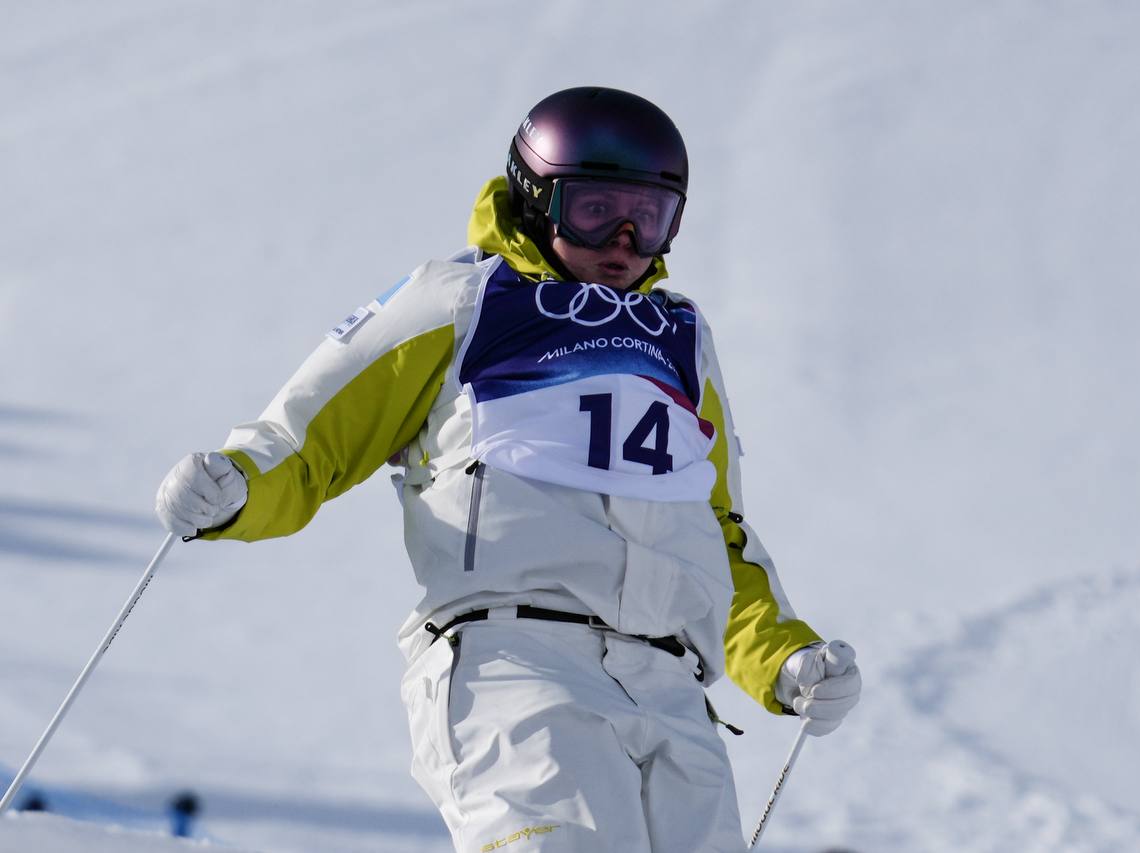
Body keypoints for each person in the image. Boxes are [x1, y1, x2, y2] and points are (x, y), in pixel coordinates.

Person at [155, 86, 861, 852]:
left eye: (650, 216)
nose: (624, 240)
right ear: (536, 195)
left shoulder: (681, 338)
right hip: (517, 663)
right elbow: (308, 443)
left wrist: (783, 656)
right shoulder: (463, 302)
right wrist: (237, 485)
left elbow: (714, 532)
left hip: (671, 691)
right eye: (595, 210)